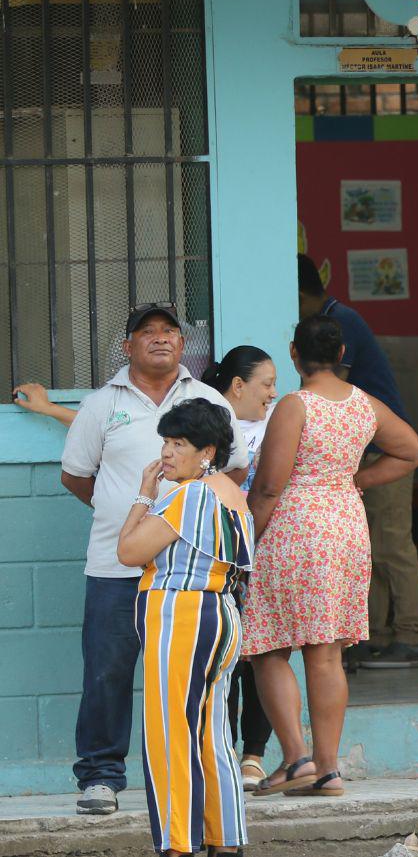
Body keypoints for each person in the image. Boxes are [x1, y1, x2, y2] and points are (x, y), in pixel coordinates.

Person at [59, 304, 248, 816]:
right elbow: (77, 477)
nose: (161, 338)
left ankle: (209, 773)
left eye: (170, 331)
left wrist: (163, 525)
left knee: (198, 677)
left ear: (183, 345)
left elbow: (234, 473)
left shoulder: (207, 400)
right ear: (128, 346)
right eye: (148, 332)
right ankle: (100, 775)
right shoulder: (102, 405)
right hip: (116, 566)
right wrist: (133, 517)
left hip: (189, 577)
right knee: (107, 672)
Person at [244, 315, 418, 797]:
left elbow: (267, 487)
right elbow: (412, 452)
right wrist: (356, 480)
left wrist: (243, 544)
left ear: (293, 354)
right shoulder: (365, 404)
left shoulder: (294, 406)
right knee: (326, 655)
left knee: (268, 647)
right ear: (343, 354)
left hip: (295, 527)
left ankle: (297, 758)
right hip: (346, 527)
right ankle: (329, 770)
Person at [116, 398, 252, 856]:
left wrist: (141, 496)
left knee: (170, 732)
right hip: (222, 615)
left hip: (184, 616)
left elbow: (129, 552)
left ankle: (178, 844)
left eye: (179, 443)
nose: (167, 452)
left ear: (207, 451)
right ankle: (225, 839)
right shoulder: (232, 493)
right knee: (213, 734)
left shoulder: (188, 494)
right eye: (166, 441)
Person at [298, 254, 418, 670]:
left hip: (386, 449)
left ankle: (410, 636)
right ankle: (367, 636)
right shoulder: (334, 317)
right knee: (365, 548)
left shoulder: (341, 323)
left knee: (392, 542)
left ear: (301, 294)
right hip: (359, 450)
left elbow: (330, 389)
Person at [201, 346, 278, 793]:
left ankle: (254, 755)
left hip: (264, 556)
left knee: (261, 656)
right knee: (221, 657)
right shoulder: (208, 425)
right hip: (218, 557)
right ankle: (223, 751)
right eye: (266, 383)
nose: (273, 392)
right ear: (238, 386)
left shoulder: (277, 425)